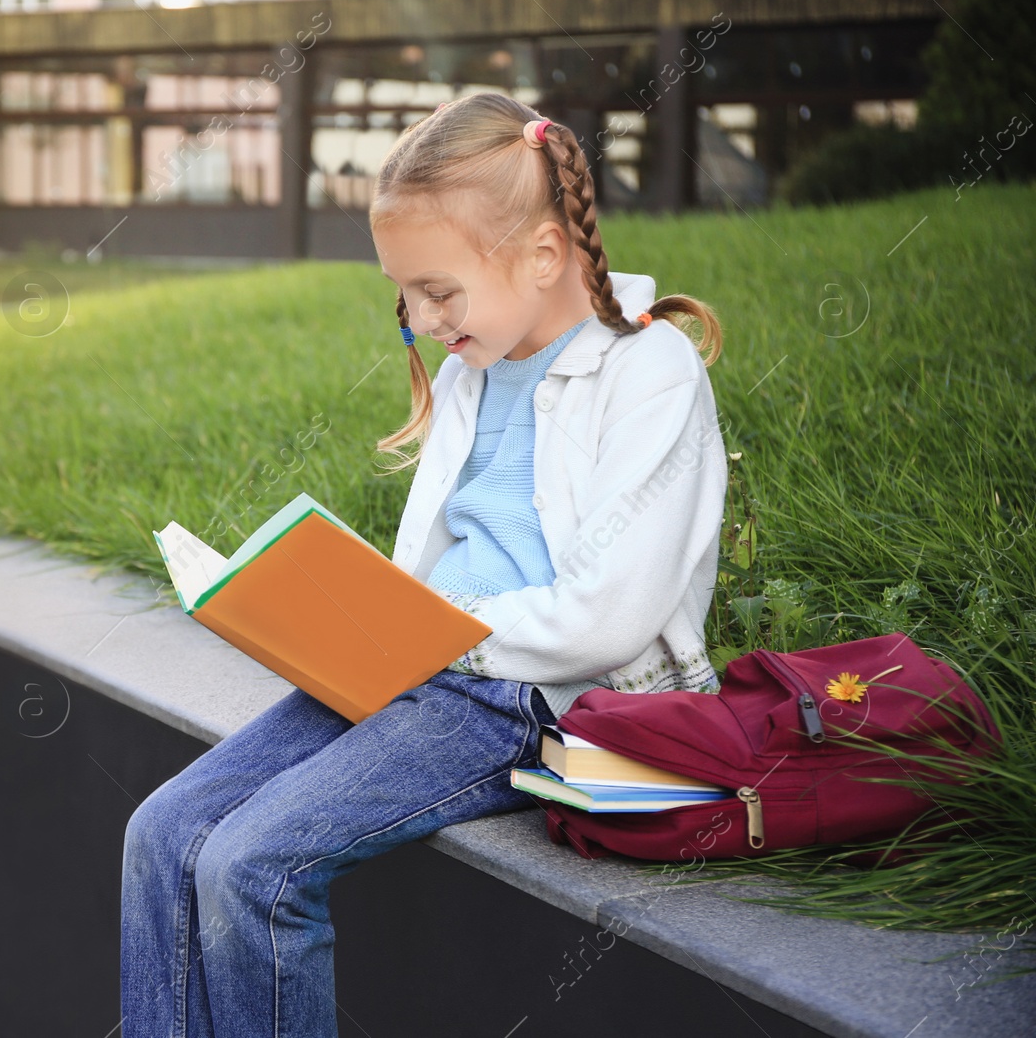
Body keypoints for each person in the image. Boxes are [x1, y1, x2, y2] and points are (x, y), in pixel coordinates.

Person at [120, 91, 728, 1038]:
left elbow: (607, 616)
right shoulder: (472, 368)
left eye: (438, 291)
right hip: (426, 667)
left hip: (539, 696)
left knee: (254, 866)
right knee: (162, 831)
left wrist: (444, 640)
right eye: (404, 292)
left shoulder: (649, 372)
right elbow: (434, 560)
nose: (418, 315)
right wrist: (356, 623)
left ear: (542, 254)